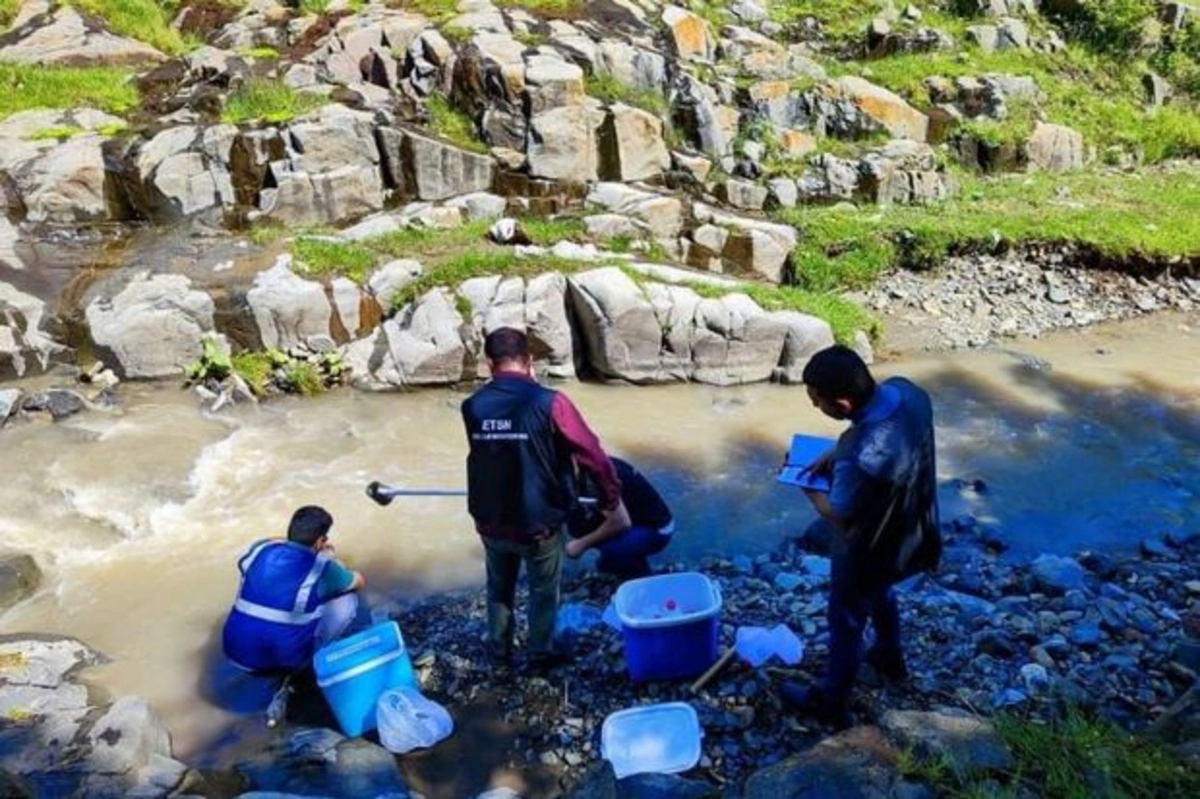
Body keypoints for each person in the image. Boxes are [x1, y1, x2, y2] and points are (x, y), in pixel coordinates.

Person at [781, 345, 941, 728]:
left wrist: (805, 484)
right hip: (915, 527)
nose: (816, 407)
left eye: (818, 403)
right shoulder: (909, 391)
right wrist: (840, 448)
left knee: (846, 621)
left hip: (869, 547)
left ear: (842, 404)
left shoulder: (862, 457)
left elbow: (838, 516)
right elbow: (884, 433)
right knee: (883, 589)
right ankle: (889, 656)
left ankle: (831, 704)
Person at [462, 327, 626, 669]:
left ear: (489, 364)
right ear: (529, 361)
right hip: (538, 522)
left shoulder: (472, 406)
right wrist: (610, 498)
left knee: (499, 589)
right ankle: (539, 653)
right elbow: (591, 454)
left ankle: (499, 652)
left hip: (490, 520)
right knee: (543, 590)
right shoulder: (550, 402)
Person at [222, 505, 366, 673]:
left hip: (233, 654)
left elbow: (268, 544)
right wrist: (334, 563)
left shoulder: (259, 550)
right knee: (347, 600)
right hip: (284, 664)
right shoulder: (320, 568)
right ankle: (307, 667)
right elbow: (359, 581)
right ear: (320, 541)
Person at [565, 456, 674, 580]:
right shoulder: (582, 461)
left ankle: (641, 577)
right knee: (576, 524)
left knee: (613, 551)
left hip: (656, 528)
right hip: (630, 516)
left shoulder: (595, 476)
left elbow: (621, 522)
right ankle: (614, 561)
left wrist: (580, 545)